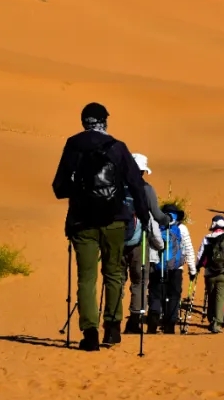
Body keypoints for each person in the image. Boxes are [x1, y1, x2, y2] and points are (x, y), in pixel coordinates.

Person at [52, 102, 150, 351]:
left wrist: (79, 189)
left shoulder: (73, 146)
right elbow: (136, 184)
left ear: (83, 121)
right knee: (114, 273)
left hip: (81, 222)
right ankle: (114, 327)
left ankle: (90, 334)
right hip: (115, 220)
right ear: (104, 121)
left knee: (86, 279)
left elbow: (59, 188)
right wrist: (144, 215)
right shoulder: (118, 147)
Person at [123, 153, 168, 336]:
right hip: (137, 241)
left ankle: (112, 323)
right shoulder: (146, 189)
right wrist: (168, 220)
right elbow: (157, 215)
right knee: (140, 281)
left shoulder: (117, 186)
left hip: (116, 239)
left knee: (115, 280)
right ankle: (133, 322)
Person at [147, 203, 196, 334]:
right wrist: (192, 270)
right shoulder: (182, 228)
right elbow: (189, 249)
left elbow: (150, 244)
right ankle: (170, 325)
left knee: (156, 293)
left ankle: (154, 314)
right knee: (174, 295)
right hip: (176, 268)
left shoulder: (156, 225)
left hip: (157, 266)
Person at [197, 216, 224, 333]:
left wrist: (197, 268)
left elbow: (200, 257)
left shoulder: (206, 238)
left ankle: (211, 320)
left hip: (209, 274)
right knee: (221, 299)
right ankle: (217, 324)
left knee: (211, 297)